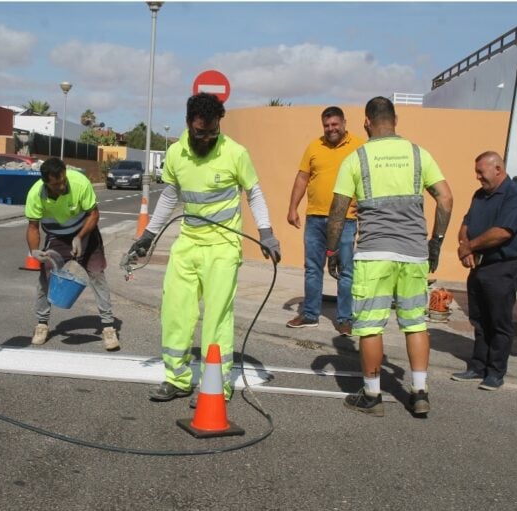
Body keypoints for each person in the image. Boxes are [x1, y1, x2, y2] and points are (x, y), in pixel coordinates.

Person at [127, 92, 281, 405]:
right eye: (200, 132)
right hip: (187, 245)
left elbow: (254, 194)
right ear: (188, 124)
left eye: (213, 132)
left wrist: (266, 233)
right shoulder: (176, 154)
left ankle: (216, 386)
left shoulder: (235, 152)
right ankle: (177, 379)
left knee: (217, 318)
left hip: (223, 247)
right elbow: (170, 196)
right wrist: (148, 235)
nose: (207, 139)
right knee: (175, 313)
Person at [325, 97, 453, 417]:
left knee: (370, 327)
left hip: (374, 254)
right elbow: (446, 199)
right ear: (396, 119)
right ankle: (420, 393)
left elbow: (338, 211)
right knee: (415, 324)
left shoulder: (357, 157)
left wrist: (332, 250)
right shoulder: (418, 154)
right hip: (413, 254)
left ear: (367, 122)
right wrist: (435, 242)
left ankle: (371, 396)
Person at [452, 151, 517, 391]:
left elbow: (503, 232)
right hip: (480, 266)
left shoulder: (516, 195)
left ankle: (495, 372)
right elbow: (466, 225)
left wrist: (469, 247)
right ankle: (477, 366)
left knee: (499, 321)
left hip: (503, 266)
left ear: (498, 169)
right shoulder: (480, 195)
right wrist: (466, 249)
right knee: (479, 319)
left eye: (481, 172)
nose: (477, 177)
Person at [25, 157, 120, 351]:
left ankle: (108, 327)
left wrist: (79, 237)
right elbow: (33, 227)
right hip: (56, 237)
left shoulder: (79, 183)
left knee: (97, 276)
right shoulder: (36, 194)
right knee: (45, 278)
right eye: (56, 184)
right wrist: (34, 251)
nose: (61, 186)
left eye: (62, 181)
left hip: (85, 232)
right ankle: (42, 324)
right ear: (46, 182)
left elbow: (94, 214)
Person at [286, 106, 365, 335]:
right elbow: (302, 178)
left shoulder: (359, 146)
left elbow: (368, 178)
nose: (331, 129)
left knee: (346, 270)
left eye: (335, 124)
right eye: (327, 125)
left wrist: (365, 203)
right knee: (312, 268)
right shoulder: (314, 146)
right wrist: (292, 208)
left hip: (346, 220)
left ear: (344, 123)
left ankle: (344, 319)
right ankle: (310, 314)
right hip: (315, 219)